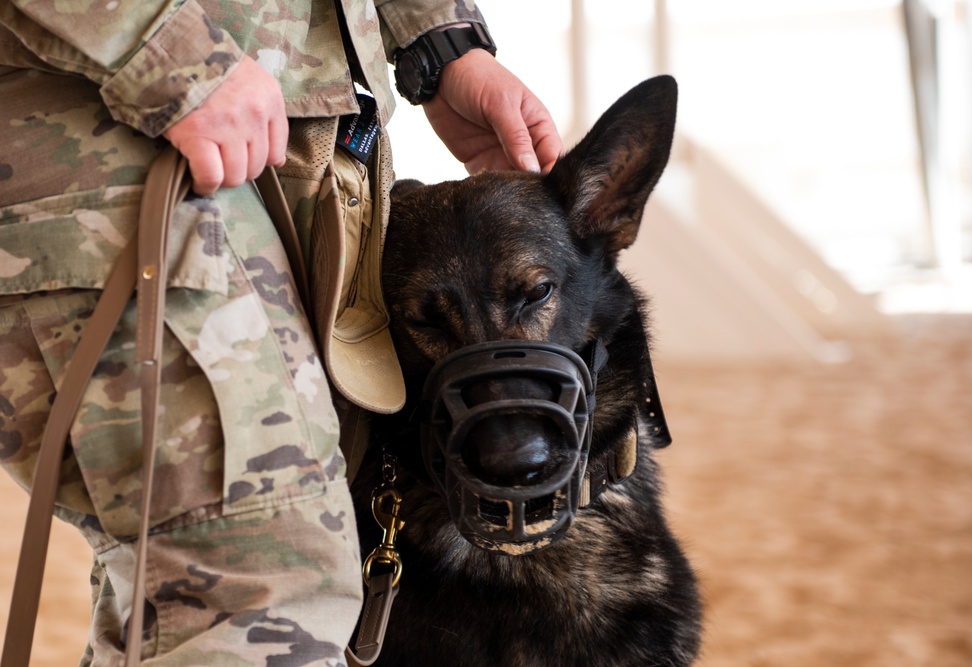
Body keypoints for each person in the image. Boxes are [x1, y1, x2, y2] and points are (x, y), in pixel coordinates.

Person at [0, 0, 562, 663]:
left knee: (197, 588)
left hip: (305, 162)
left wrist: (438, 42)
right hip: (116, 146)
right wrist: (169, 49)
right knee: (261, 590)